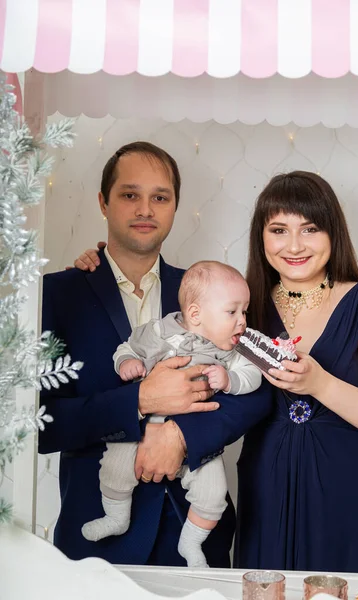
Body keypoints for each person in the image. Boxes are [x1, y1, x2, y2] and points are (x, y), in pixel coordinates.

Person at [39, 141, 272, 567]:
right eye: (130, 195)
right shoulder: (56, 293)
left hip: (195, 537)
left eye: (160, 197)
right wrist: (140, 401)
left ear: (175, 207)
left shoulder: (209, 289)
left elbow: (259, 392)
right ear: (103, 203)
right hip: (96, 541)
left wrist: (183, 438)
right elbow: (40, 423)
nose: (145, 209)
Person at [234, 171, 358, 573]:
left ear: (333, 234)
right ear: (262, 237)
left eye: (309, 228)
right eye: (278, 229)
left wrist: (319, 383)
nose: (294, 245)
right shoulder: (242, 304)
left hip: (351, 489)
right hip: (266, 487)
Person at [81, 260, 262, 568]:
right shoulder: (159, 332)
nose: (242, 321)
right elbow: (126, 349)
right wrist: (127, 364)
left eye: (244, 311)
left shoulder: (232, 350)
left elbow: (254, 380)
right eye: (233, 312)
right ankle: (116, 516)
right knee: (115, 463)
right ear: (195, 314)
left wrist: (230, 380)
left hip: (197, 446)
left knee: (213, 493)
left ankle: (191, 543)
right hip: (139, 430)